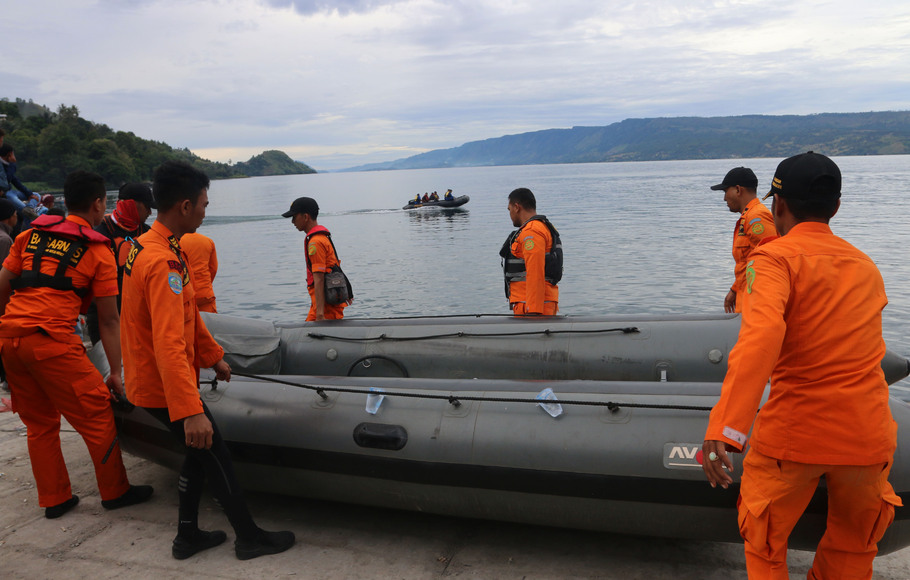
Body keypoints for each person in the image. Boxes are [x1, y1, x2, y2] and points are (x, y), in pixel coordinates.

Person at [702, 152, 900, 579]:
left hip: (796, 436)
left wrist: (727, 428)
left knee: (766, 544)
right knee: (852, 551)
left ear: (778, 205)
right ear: (837, 207)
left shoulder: (773, 260)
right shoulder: (867, 266)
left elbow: (759, 341)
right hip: (868, 437)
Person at [120, 160, 294, 560]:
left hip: (151, 378)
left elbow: (187, 317)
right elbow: (167, 341)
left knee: (199, 456)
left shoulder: (144, 248)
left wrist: (213, 356)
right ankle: (249, 538)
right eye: (203, 203)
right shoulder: (163, 263)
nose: (205, 210)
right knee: (214, 452)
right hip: (164, 385)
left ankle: (187, 537)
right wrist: (189, 409)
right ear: (184, 206)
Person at [0, 170, 152, 519]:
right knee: (97, 413)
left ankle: (55, 499)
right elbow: (110, 320)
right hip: (51, 341)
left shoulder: (29, 236)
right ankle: (116, 492)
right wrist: (116, 372)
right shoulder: (98, 251)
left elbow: (3, 286)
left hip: (10, 340)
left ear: (66, 201)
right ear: (99, 204)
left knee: (39, 424)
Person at [84, 183, 155, 375]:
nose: (150, 211)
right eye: (147, 206)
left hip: (139, 314)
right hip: (104, 315)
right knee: (110, 371)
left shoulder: (149, 233)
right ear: (132, 205)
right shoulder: (100, 233)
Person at [710, 166, 777, 313]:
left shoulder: (757, 218)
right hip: (746, 301)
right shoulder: (748, 217)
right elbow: (748, 263)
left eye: (725, 191)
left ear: (738, 190)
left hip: (757, 305)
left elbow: (771, 263)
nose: (724, 198)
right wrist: (735, 289)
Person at [282, 196, 347, 321]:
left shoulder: (315, 242)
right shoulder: (322, 238)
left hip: (325, 308)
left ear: (305, 217)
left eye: (294, 217)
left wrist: (320, 315)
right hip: (323, 305)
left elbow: (319, 279)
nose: (292, 222)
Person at [500, 187, 562, 316]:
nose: (510, 214)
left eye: (509, 209)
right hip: (529, 304)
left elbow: (535, 272)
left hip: (532, 307)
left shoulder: (532, 232)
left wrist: (534, 312)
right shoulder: (535, 228)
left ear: (517, 207)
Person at [180, 232, 218, 313]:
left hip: (185, 296)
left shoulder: (175, 242)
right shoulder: (208, 241)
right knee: (209, 324)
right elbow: (213, 268)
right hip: (205, 294)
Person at [0, 144, 40, 219]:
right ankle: (28, 211)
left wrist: (29, 194)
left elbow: (15, 180)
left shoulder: (11, 165)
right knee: (23, 210)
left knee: (36, 195)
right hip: (5, 193)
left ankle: (30, 208)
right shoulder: (2, 165)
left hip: (10, 191)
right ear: (9, 154)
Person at [0, 199, 18, 263]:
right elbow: (3, 268)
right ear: (10, 217)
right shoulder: (4, 240)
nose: (16, 216)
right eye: (15, 213)